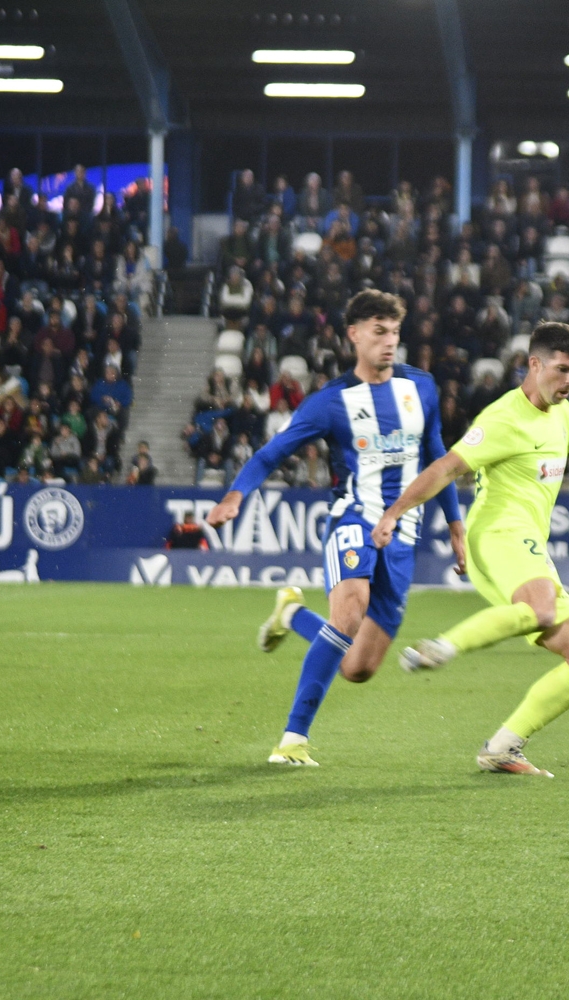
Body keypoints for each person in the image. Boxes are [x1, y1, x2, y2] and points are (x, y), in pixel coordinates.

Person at [374, 322, 569, 778]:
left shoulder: (561, 415)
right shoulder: (502, 418)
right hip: (497, 535)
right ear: (534, 364)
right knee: (540, 610)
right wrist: (394, 512)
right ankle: (443, 646)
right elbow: (446, 468)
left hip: (527, 546)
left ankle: (502, 748)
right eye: (562, 369)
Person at [206, 290, 465, 767]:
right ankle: (293, 739)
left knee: (357, 668)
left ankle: (292, 616)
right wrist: (237, 494)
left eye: (394, 333)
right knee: (349, 612)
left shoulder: (421, 388)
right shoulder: (331, 402)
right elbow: (271, 452)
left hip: (404, 534)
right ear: (354, 335)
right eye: (378, 332)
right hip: (355, 520)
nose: (389, 342)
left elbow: (439, 460)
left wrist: (456, 526)